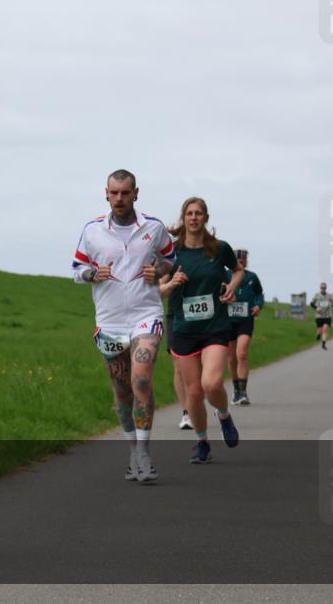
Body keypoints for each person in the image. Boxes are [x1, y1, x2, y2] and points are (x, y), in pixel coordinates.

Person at [73, 169, 175, 482]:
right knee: (122, 390)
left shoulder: (154, 227)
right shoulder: (92, 230)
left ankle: (144, 453)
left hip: (146, 314)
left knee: (141, 379)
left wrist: (160, 270)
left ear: (136, 194)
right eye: (114, 193)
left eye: (125, 193)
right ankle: (132, 451)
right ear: (106, 193)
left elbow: (171, 259)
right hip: (110, 320)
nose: (119, 199)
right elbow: (77, 269)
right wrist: (92, 274)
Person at [167, 197, 244, 464]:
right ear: (183, 218)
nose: (194, 217)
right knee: (194, 393)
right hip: (184, 329)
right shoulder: (172, 252)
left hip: (214, 327)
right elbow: (158, 289)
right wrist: (171, 283)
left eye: (198, 213)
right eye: (189, 213)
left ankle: (224, 415)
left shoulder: (219, 249)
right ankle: (202, 443)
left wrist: (231, 286)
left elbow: (238, 271)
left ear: (206, 218)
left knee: (210, 383)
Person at [226, 249, 264, 405]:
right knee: (231, 358)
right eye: (238, 261)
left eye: (243, 261)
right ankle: (236, 391)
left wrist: (258, 305)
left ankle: (243, 393)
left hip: (245, 320)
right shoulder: (225, 275)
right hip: (228, 320)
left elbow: (259, 294)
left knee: (241, 353)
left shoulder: (252, 277)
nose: (241, 263)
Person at [159, 273, 192, 429]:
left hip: (201, 317)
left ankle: (197, 403)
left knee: (197, 368)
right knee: (178, 366)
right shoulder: (172, 262)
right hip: (176, 316)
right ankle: (186, 413)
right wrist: (170, 283)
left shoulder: (208, 259)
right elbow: (159, 288)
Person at [310, 283, 333, 350]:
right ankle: (318, 334)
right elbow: (311, 303)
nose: (323, 289)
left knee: (325, 330)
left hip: (327, 315)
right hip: (319, 315)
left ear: (326, 288)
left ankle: (323, 344)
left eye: (324, 288)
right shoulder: (317, 295)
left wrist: (331, 304)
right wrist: (316, 308)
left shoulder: (329, 295)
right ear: (320, 288)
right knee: (320, 330)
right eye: (322, 288)